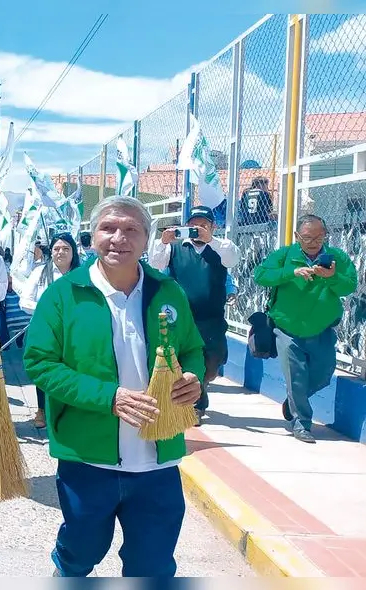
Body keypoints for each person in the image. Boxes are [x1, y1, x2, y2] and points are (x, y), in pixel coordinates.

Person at [24, 195, 205, 578]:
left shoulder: (167, 291)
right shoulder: (63, 295)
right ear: (91, 238)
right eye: (108, 228)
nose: (118, 238)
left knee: (153, 566)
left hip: (158, 460)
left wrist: (193, 378)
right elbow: (39, 363)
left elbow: (192, 349)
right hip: (88, 459)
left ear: (146, 240)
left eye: (130, 230)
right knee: (79, 553)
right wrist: (110, 397)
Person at [254, 214, 357, 443]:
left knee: (323, 376)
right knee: (296, 378)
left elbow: (349, 285)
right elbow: (260, 275)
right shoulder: (285, 255)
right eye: (308, 237)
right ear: (297, 236)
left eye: (319, 237)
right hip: (287, 330)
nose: (314, 242)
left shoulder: (336, 258)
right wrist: (290, 273)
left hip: (321, 330)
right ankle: (302, 424)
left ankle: (292, 402)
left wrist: (332, 277)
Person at [148, 205, 240, 423]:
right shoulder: (175, 248)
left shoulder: (220, 247)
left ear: (212, 227)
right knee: (185, 360)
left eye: (203, 225)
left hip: (212, 318)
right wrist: (163, 242)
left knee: (213, 361)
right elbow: (155, 263)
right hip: (182, 318)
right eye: (193, 225)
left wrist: (211, 240)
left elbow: (232, 259)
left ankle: (202, 388)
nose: (197, 229)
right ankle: (195, 405)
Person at [17, 232, 82, 429]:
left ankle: (72, 409)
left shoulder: (83, 274)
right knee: (45, 369)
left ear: (73, 251)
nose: (60, 252)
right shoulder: (40, 272)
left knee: (75, 369)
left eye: (65, 248)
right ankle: (42, 410)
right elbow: (24, 301)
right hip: (47, 331)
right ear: (51, 252)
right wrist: (48, 310)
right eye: (56, 249)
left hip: (76, 331)